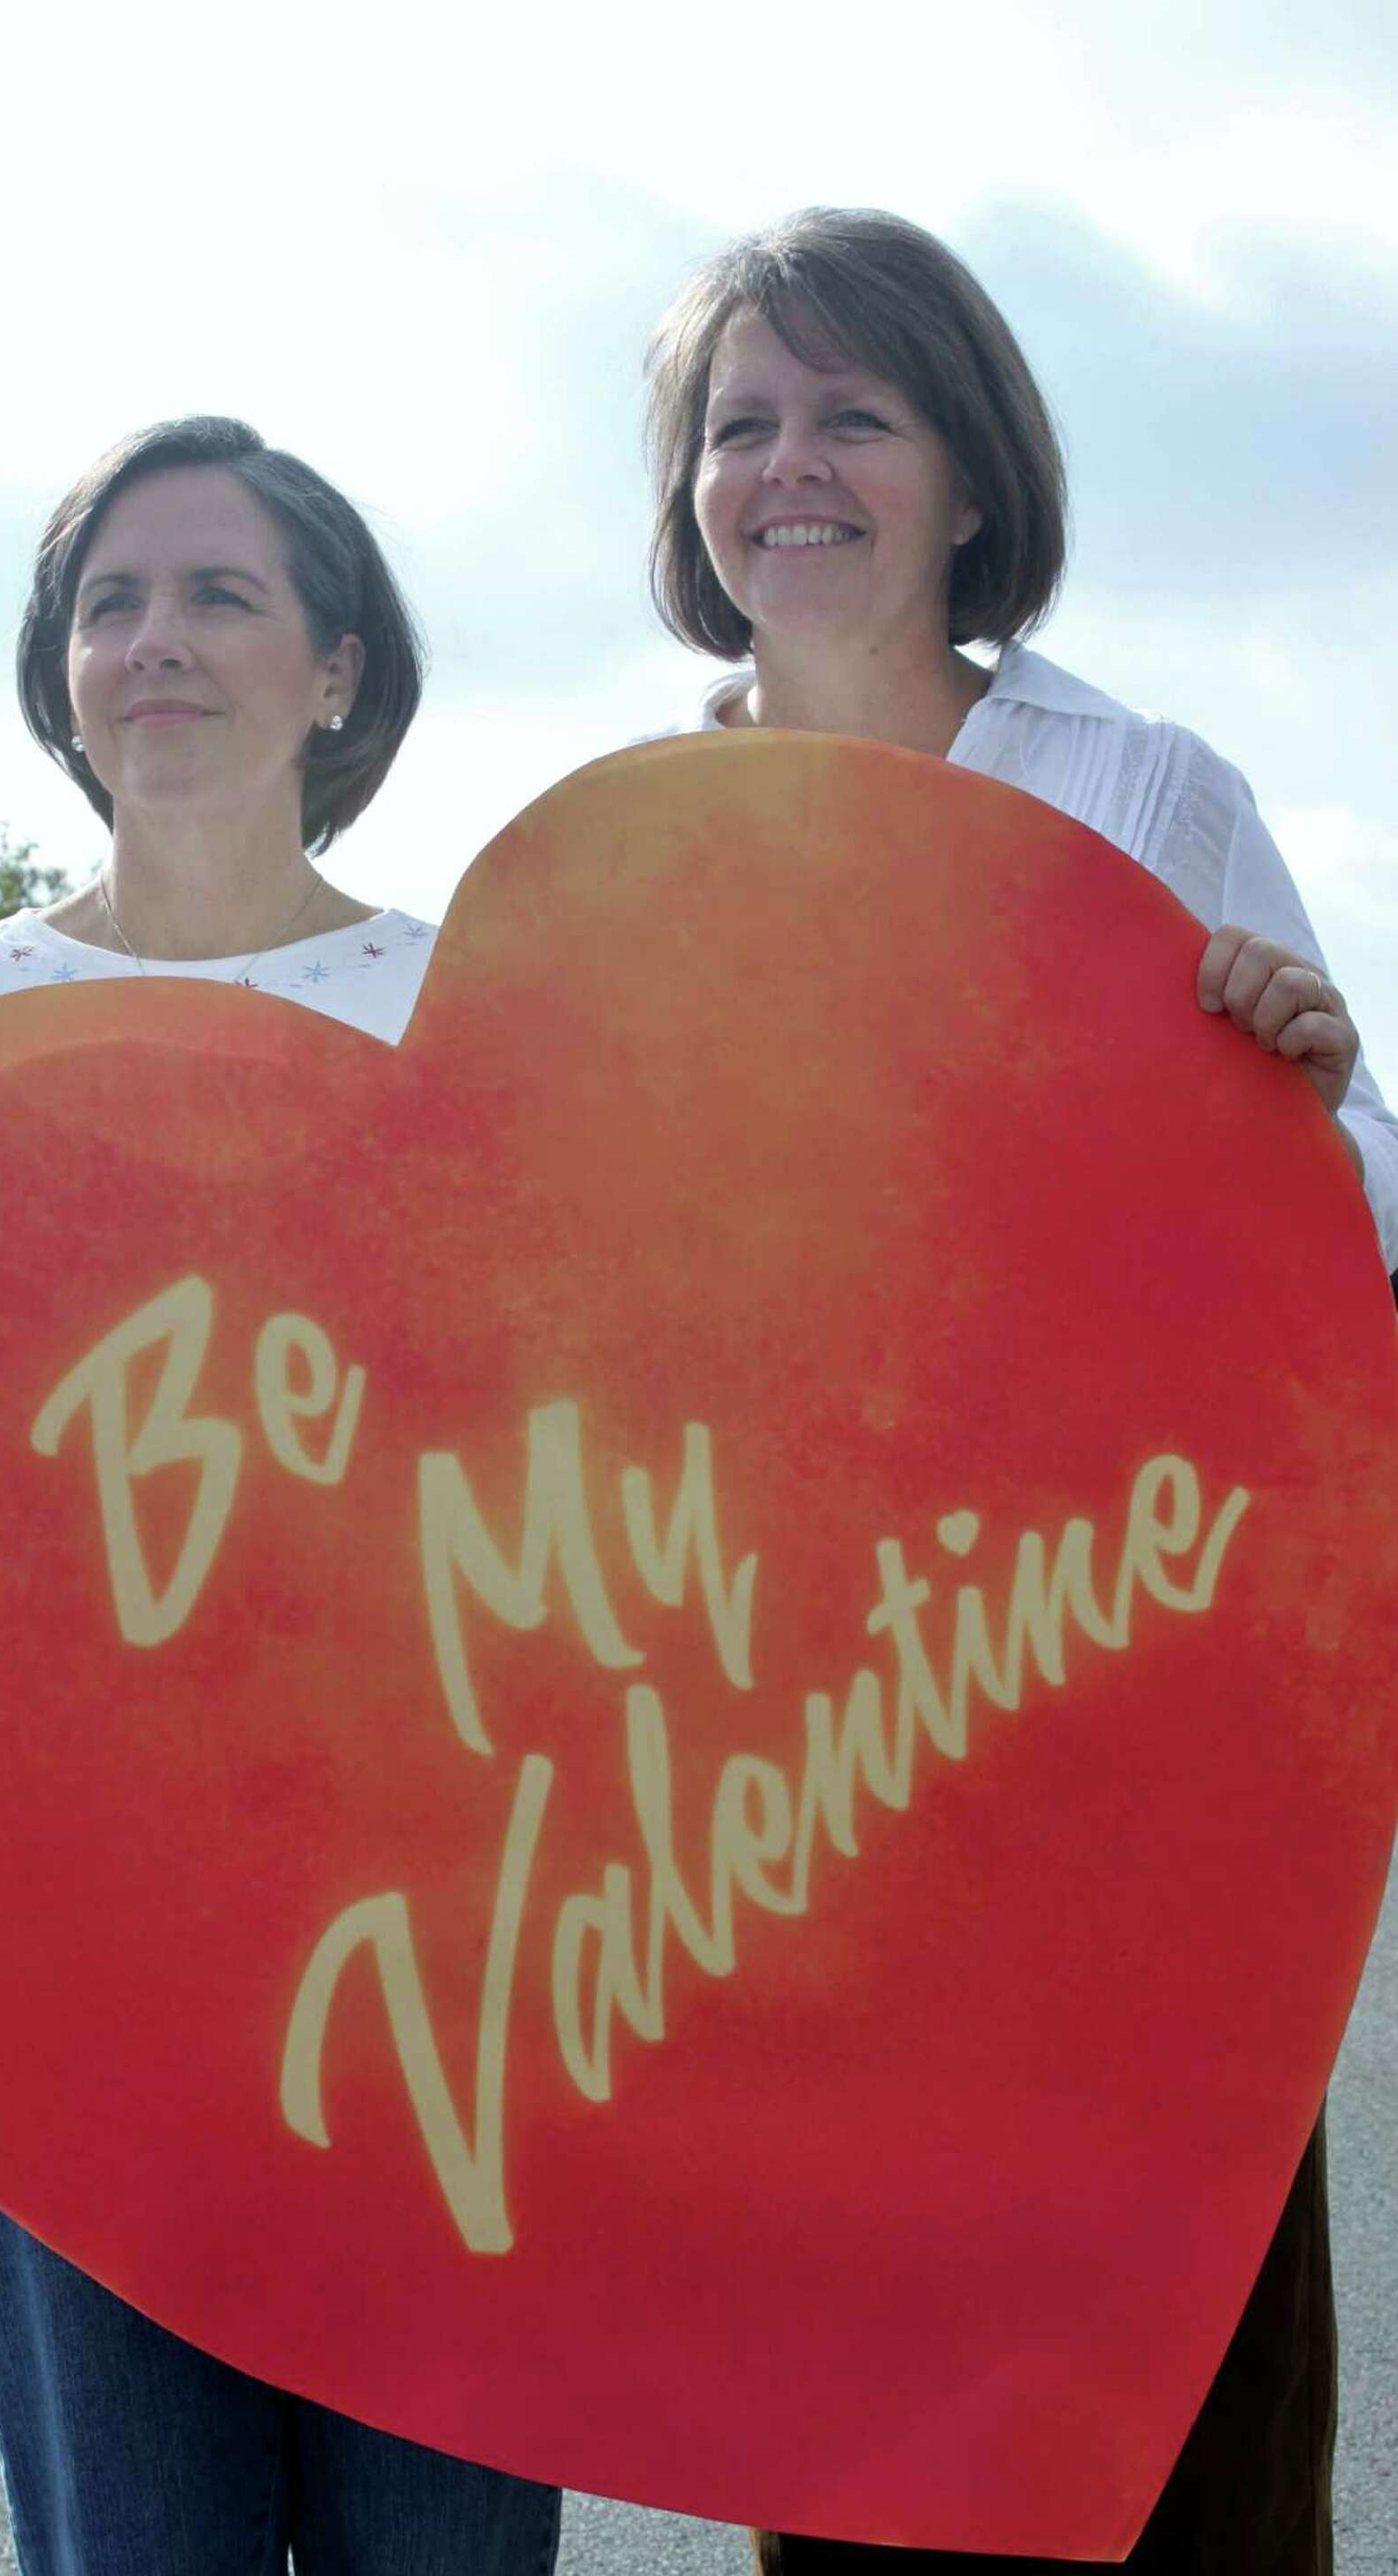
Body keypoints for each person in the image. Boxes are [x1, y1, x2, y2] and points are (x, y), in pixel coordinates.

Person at [0, 414, 563, 2576]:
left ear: (340, 670)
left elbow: (612, 1464)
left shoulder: (478, 1019)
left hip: (444, 1992)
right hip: (59, 2007)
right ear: (59, 672)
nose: (155, 643)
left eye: (219, 594)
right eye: (109, 603)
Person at [641, 207, 1398, 2576]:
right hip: (798, 1796)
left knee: (1193, 2439)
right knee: (861, 2456)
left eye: (852, 413)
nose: (790, 467)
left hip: (1135, 1761)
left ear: (970, 475)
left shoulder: (1143, 794)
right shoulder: (620, 872)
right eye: (738, 423)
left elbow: (1355, 1222)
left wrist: (1312, 1082)